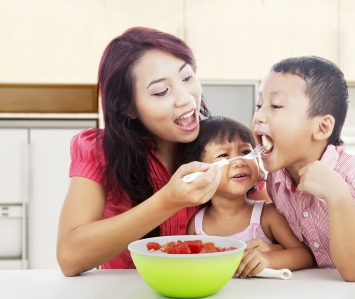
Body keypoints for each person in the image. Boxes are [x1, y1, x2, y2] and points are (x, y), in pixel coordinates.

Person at [57, 27, 229, 276]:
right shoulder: (100, 151)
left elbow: (261, 213)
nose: (185, 98)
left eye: (187, 77)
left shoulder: (219, 143)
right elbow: (69, 257)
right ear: (129, 108)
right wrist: (168, 201)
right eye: (161, 91)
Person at [252, 56, 355, 282]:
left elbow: (354, 272)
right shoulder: (276, 180)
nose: (258, 116)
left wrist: (338, 195)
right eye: (259, 105)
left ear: (322, 127)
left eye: (275, 106)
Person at [183, 116, 314, 278]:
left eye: (246, 152)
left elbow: (305, 256)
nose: (239, 162)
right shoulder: (196, 225)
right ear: (199, 171)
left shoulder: (268, 215)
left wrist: (269, 259)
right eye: (223, 155)